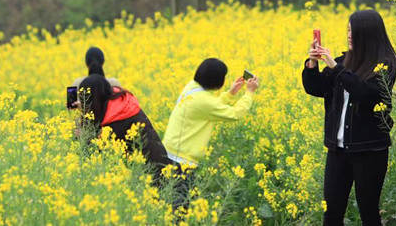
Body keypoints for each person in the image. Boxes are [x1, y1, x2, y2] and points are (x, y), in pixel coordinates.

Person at [302, 9, 396, 226]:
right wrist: (312, 63)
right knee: (332, 212)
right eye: (347, 29)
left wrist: (336, 68)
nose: (348, 35)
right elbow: (316, 87)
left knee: (368, 211)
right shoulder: (344, 60)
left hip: (369, 151)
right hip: (338, 150)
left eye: (352, 30)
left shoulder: (385, 65)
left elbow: (368, 94)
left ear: (367, 34)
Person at [163, 58, 260, 205]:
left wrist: (231, 93)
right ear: (216, 80)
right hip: (182, 160)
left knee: (171, 201)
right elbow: (235, 114)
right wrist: (249, 93)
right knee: (180, 207)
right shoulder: (203, 101)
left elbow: (207, 106)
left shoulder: (191, 87)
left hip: (169, 152)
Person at [78, 74, 171, 178]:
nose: (83, 105)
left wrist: (84, 137)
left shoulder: (117, 122)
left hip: (152, 178)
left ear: (93, 101)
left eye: (85, 101)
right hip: (160, 166)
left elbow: (99, 158)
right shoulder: (121, 105)